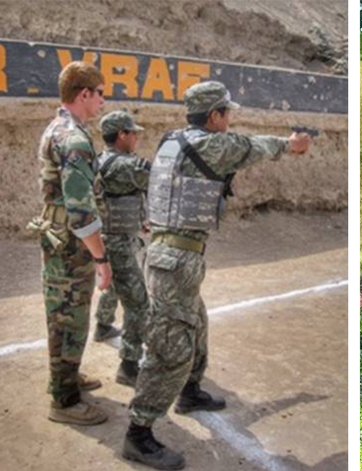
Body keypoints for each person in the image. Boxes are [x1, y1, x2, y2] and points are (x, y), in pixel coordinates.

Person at [122, 80, 313, 470]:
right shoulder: (212, 144)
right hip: (172, 259)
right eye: (226, 113)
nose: (229, 120)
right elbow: (254, 147)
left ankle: (190, 391)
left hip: (174, 257)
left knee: (197, 325)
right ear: (214, 116)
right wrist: (292, 144)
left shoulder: (172, 140)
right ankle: (139, 432)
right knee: (170, 347)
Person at [33, 61, 112, 425]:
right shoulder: (75, 138)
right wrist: (101, 259)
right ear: (84, 94)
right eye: (100, 95)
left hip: (59, 238)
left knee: (69, 313)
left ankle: (68, 375)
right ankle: (63, 401)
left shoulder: (58, 127)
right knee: (68, 317)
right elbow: (81, 213)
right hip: (70, 245)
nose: (103, 102)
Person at [93, 110, 151, 386]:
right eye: (133, 132)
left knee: (115, 285)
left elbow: (127, 196)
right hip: (119, 242)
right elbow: (159, 178)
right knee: (139, 304)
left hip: (109, 238)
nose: (137, 137)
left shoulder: (103, 160)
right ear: (121, 135)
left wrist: (141, 219)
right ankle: (129, 366)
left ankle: (103, 325)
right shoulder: (126, 165)